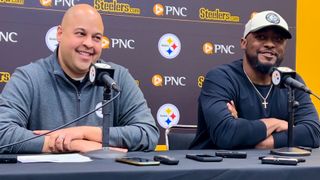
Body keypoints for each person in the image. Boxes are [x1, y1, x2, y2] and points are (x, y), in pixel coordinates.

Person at [0, 4, 159, 153]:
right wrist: (72, 144)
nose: (89, 43)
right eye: (81, 34)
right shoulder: (29, 77)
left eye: (96, 37)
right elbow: (3, 132)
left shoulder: (117, 77)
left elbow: (148, 133)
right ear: (60, 34)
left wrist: (84, 133)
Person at [190, 10, 320, 150]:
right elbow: (226, 133)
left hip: (274, 168)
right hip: (215, 169)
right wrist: (276, 123)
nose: (270, 44)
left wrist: (266, 142)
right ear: (243, 43)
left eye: (278, 40)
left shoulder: (290, 81)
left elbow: (314, 132)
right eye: (261, 37)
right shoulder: (220, 78)